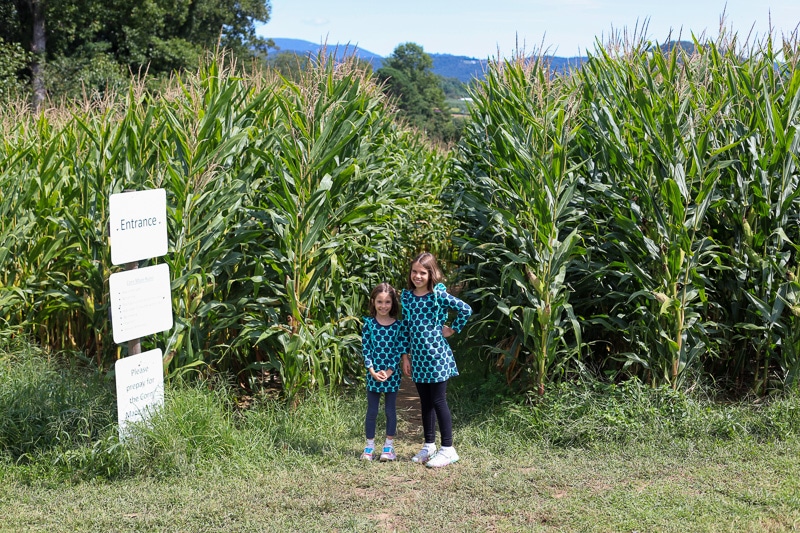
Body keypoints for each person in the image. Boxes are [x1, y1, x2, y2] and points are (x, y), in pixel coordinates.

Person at [401, 252, 472, 468]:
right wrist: (405, 356)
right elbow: (405, 328)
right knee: (425, 403)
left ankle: (448, 449)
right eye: (414, 271)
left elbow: (465, 309)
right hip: (419, 359)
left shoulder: (437, 295)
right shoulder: (407, 297)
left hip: (437, 357)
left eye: (423, 272)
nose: (417, 276)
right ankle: (429, 445)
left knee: (439, 401)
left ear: (431, 274)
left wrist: (452, 329)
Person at [361, 282, 407, 461]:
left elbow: (398, 349)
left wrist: (389, 371)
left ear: (393, 303)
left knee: (390, 411)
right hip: (373, 375)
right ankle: (369, 447)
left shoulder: (398, 326)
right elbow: (366, 349)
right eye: (379, 302)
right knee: (372, 411)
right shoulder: (369, 325)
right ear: (373, 302)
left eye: (387, 302)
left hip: (392, 375)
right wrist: (372, 370)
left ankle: (388, 447)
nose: (383, 306)